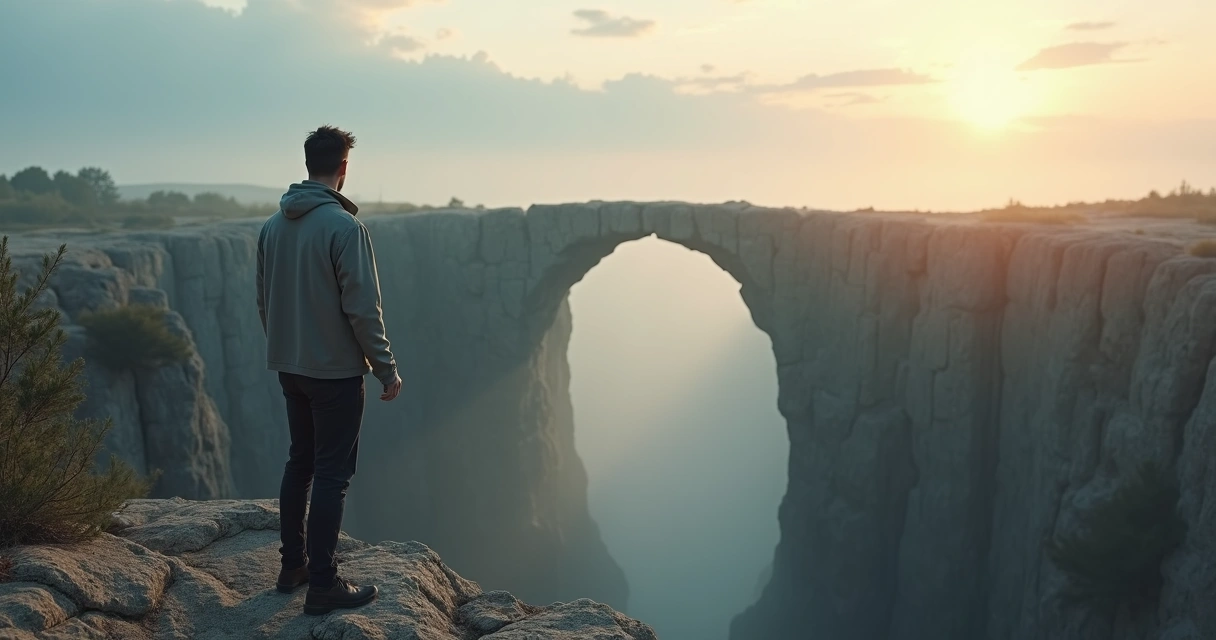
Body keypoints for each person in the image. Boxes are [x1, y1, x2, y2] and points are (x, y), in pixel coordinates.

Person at [256, 125, 402, 616]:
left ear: (307, 164)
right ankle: (323, 584)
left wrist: (286, 349)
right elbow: (364, 309)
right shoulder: (344, 228)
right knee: (332, 474)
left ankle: (292, 566)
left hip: (290, 367)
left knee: (299, 463)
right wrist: (386, 370)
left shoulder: (273, 226)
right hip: (335, 374)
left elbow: (265, 300)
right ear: (343, 167)